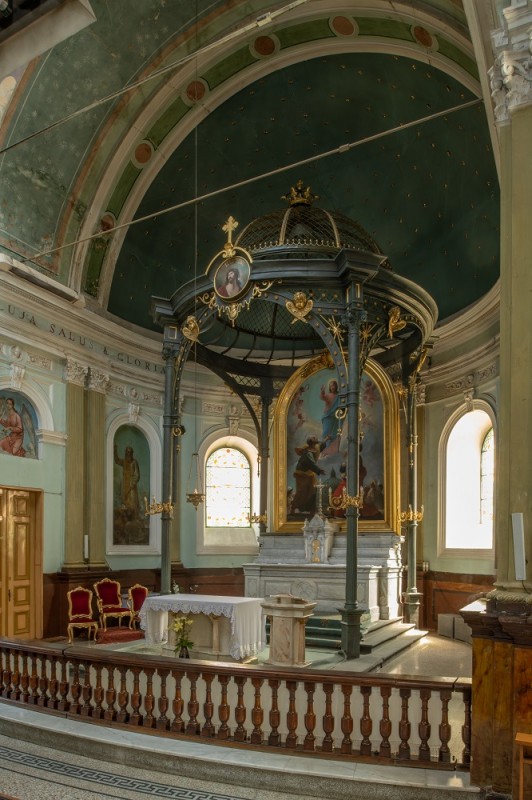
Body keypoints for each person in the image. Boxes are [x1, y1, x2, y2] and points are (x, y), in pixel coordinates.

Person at [290, 435, 325, 515]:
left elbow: (321, 446)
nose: (317, 444)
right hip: (302, 475)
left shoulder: (314, 448)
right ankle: (293, 508)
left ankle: (311, 510)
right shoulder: (308, 453)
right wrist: (319, 470)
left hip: (309, 474)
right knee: (302, 492)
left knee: (312, 491)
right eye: (315, 442)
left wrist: (326, 439)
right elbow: (311, 464)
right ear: (312, 444)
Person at [114, 444, 141, 515]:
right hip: (125, 482)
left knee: (132, 499)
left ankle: (134, 515)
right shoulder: (124, 461)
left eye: (130, 452)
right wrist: (115, 451)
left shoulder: (134, 462)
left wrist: (133, 483)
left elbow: (137, 475)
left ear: (132, 453)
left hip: (131, 484)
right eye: (127, 452)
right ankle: (125, 515)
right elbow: (117, 461)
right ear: (126, 453)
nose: (129, 454)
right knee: (124, 498)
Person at [320, 379, 339, 450]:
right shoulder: (328, 395)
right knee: (326, 432)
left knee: (334, 433)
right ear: (329, 388)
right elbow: (322, 397)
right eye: (331, 386)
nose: (332, 387)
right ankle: (323, 448)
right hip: (327, 416)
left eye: (333, 385)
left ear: (336, 386)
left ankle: (331, 449)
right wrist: (322, 391)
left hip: (336, 417)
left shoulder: (339, 396)